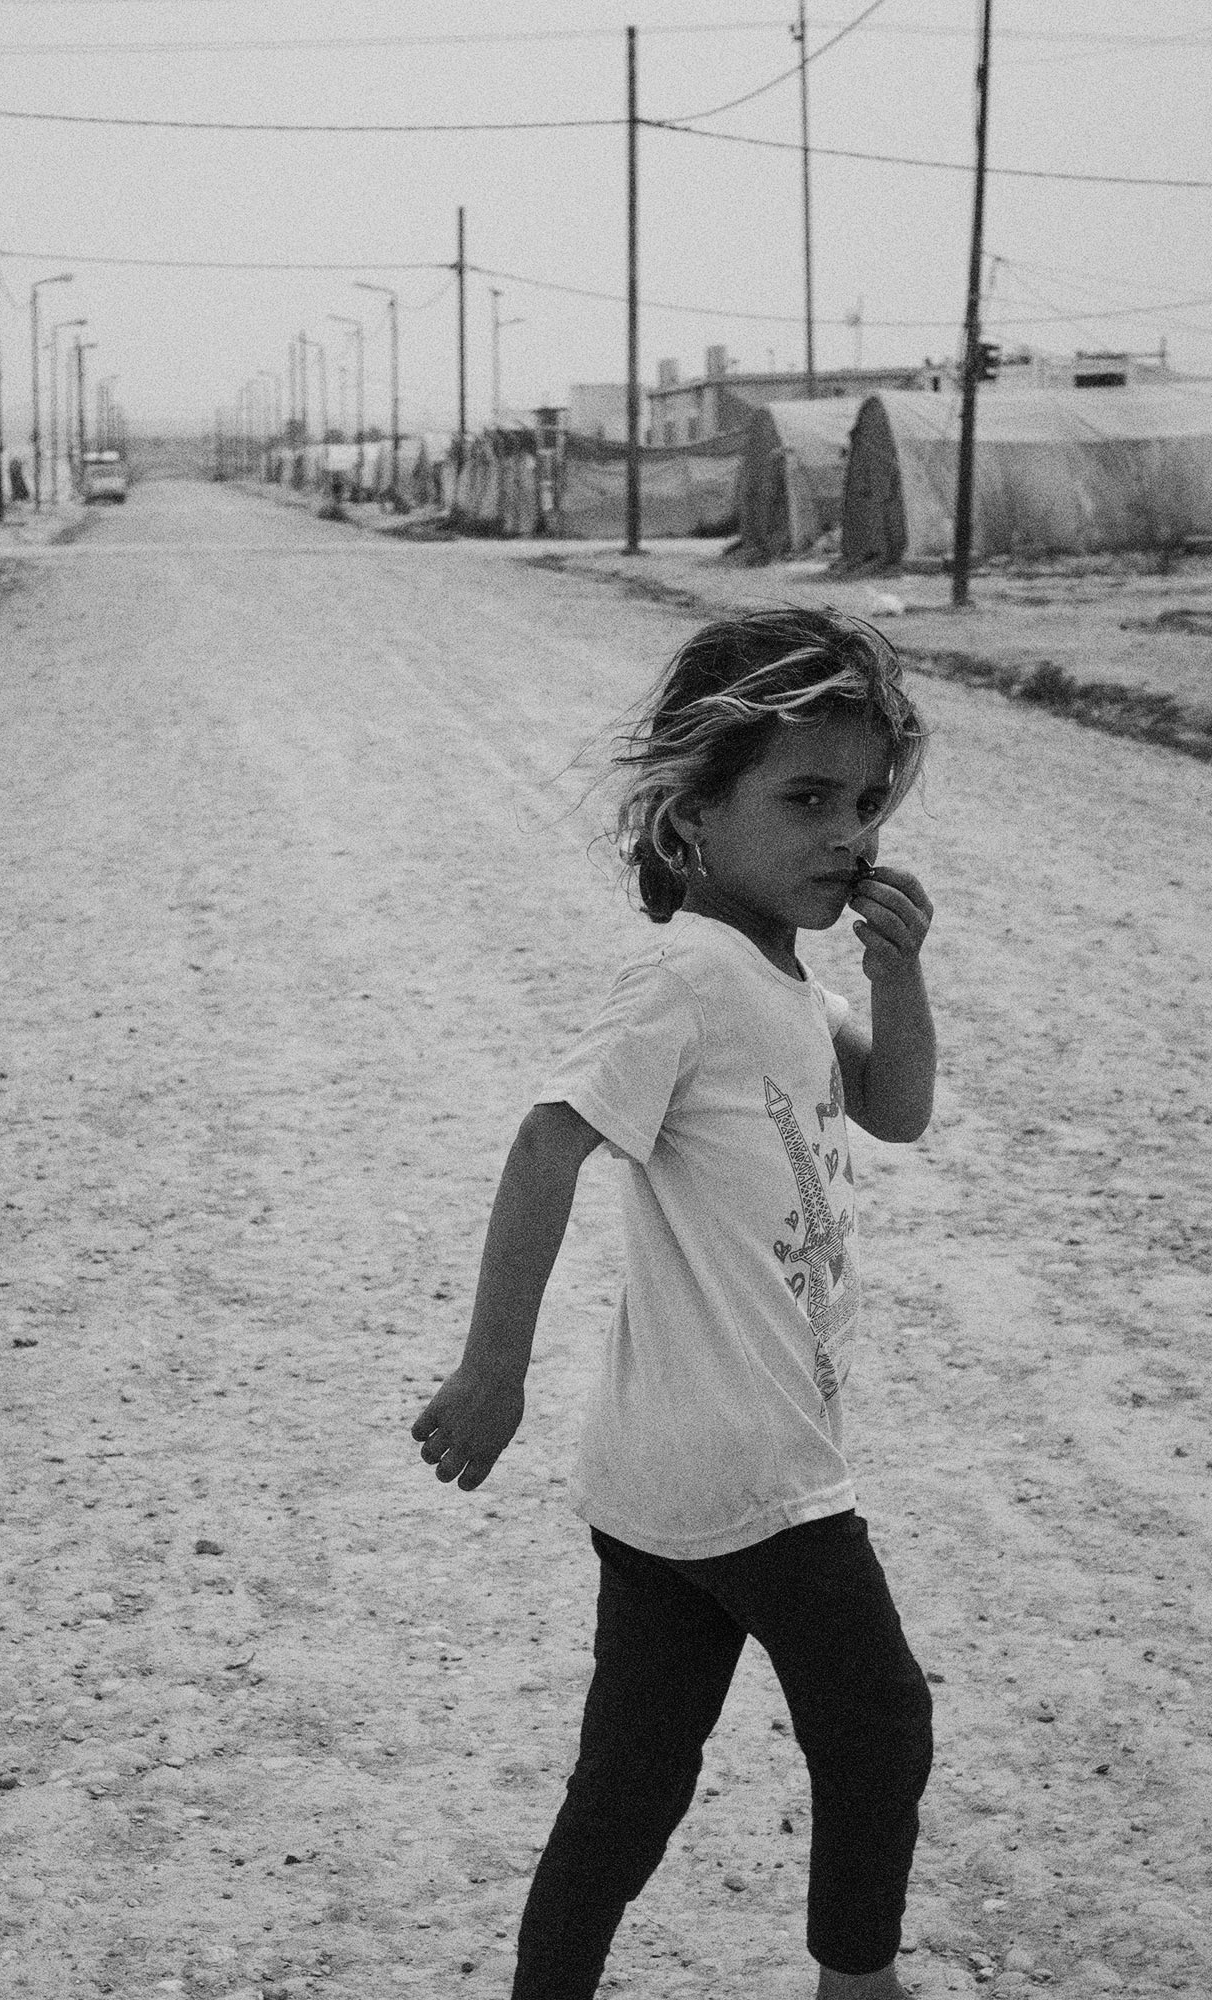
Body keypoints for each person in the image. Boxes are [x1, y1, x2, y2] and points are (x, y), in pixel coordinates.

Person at [410, 608, 942, 2000]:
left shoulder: (775, 974)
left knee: (634, 1782)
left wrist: (896, 971)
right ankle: (858, 1982)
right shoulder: (683, 976)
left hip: (659, 1479)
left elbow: (895, 1112)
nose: (849, 835)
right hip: (751, 1469)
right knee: (879, 1721)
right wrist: (491, 1373)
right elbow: (547, 1140)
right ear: (693, 817)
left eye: (867, 802)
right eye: (806, 799)